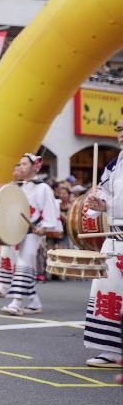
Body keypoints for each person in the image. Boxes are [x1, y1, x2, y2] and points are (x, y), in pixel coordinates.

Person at [82, 116, 123, 369]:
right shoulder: (114, 164)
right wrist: (96, 205)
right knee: (107, 289)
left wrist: (109, 205)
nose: (121, 133)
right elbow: (104, 196)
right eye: (119, 129)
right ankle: (109, 348)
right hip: (115, 236)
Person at [0, 154, 59, 316]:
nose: (21, 167)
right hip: (18, 232)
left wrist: (44, 227)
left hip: (33, 231)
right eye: (20, 164)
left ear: (35, 167)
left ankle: (16, 303)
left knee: (24, 265)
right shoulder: (19, 187)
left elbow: (49, 210)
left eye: (25, 164)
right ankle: (34, 302)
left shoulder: (43, 188)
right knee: (23, 266)